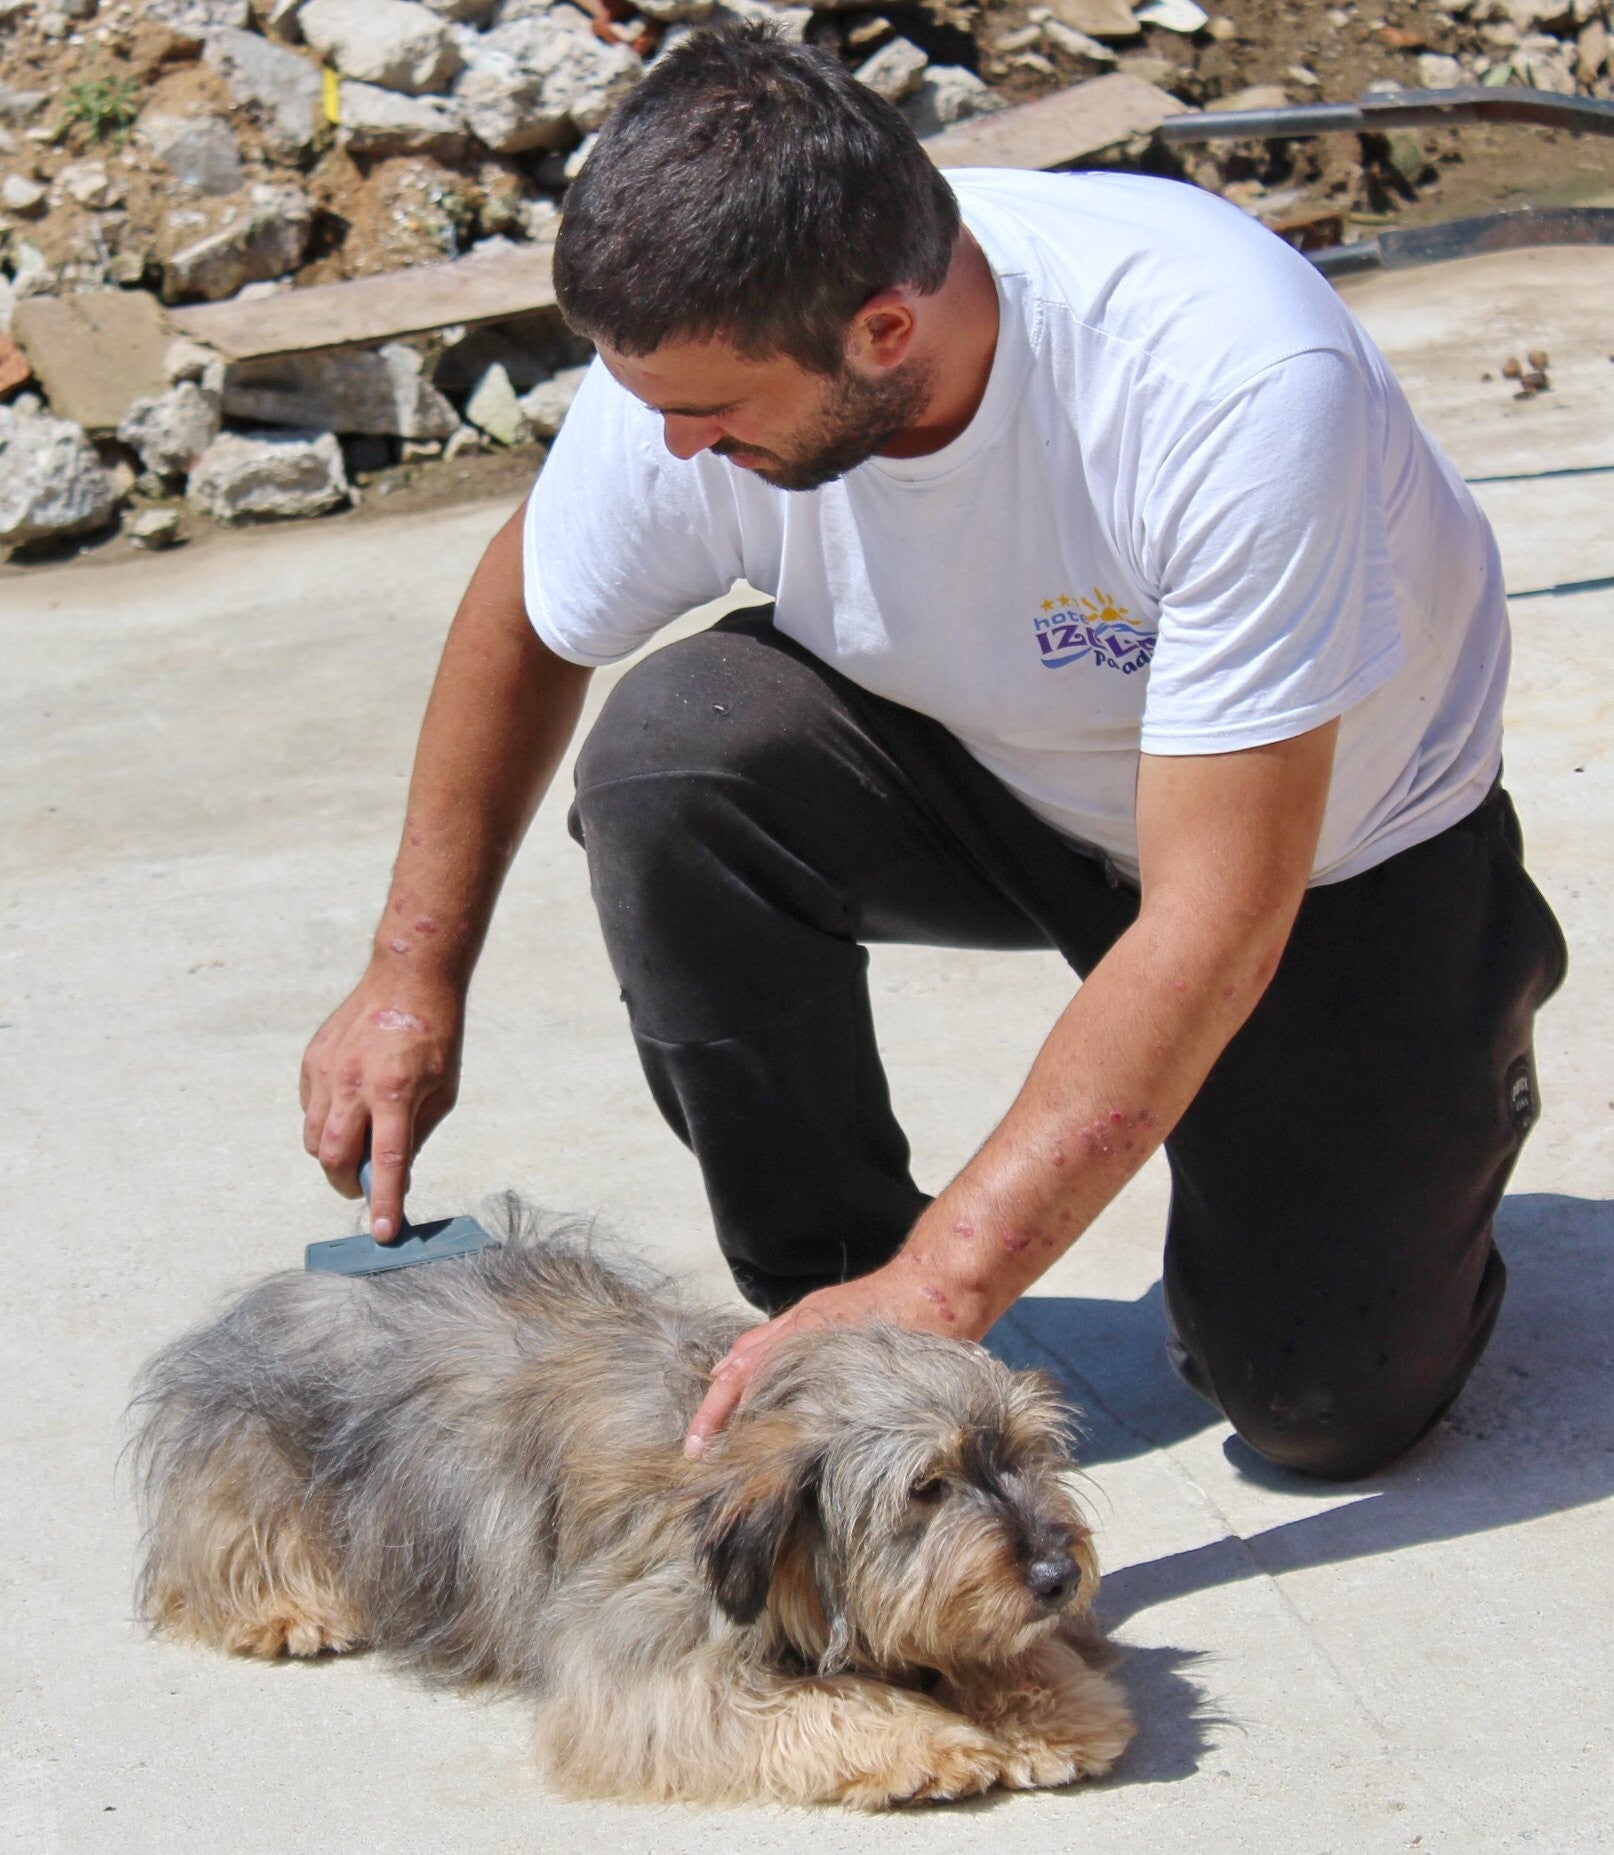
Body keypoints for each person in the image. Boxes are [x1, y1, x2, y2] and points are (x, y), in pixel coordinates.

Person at [299, 24, 1567, 1482]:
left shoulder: (1227, 380)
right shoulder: (713, 337)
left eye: (712, 417)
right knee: (672, 761)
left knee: (1320, 1401)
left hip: (1326, 858)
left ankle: (1445, 1070)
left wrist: (952, 1278)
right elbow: (533, 608)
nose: (672, 450)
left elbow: (1217, 917)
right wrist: (410, 969)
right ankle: (833, 1301)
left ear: (885, 333)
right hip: (993, 773)